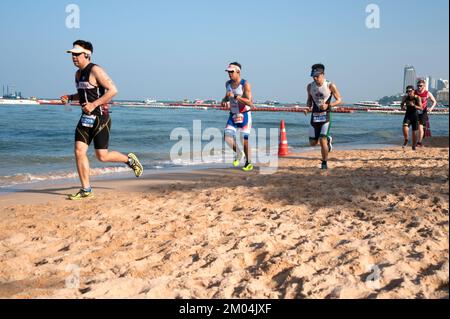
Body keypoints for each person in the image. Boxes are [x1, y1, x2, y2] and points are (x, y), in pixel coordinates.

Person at [61, 40, 143, 200]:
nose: (74, 57)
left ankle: (129, 160)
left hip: (100, 118)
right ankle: (86, 189)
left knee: (102, 156)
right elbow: (84, 93)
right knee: (79, 152)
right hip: (85, 118)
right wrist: (70, 97)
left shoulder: (96, 70)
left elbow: (113, 90)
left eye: (77, 54)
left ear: (87, 55)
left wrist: (94, 104)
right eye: (72, 54)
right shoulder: (77, 74)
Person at [303, 64, 342, 170]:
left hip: (325, 116)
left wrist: (329, 105)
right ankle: (329, 140)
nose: (315, 78)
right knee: (312, 143)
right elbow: (309, 100)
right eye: (313, 76)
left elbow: (339, 99)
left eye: (317, 76)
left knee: (322, 140)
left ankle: (324, 162)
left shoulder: (330, 85)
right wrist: (307, 107)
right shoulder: (310, 86)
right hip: (314, 117)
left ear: (323, 74)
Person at [221, 62, 254, 172]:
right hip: (233, 114)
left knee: (244, 140)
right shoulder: (227, 84)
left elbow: (250, 102)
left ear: (238, 72)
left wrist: (235, 96)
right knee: (227, 138)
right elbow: (227, 97)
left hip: (245, 115)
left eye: (231, 72)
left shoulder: (245, 84)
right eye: (228, 72)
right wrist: (223, 101)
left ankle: (248, 162)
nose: (229, 74)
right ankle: (239, 154)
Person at [415, 79, 437, 147]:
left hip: (423, 112)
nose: (419, 87)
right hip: (415, 111)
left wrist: (431, 108)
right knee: (416, 127)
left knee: (420, 127)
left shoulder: (427, 93)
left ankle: (419, 142)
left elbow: (434, 102)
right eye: (418, 85)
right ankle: (418, 139)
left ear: (424, 86)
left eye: (421, 86)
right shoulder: (414, 92)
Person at [401, 85, 422, 150]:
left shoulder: (417, 97)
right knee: (404, 127)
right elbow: (402, 104)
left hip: (415, 115)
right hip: (408, 115)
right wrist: (402, 107)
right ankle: (406, 139)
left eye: (410, 91)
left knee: (414, 132)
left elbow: (421, 108)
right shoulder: (405, 97)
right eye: (407, 91)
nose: (409, 92)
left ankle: (413, 145)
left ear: (413, 91)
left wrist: (414, 105)